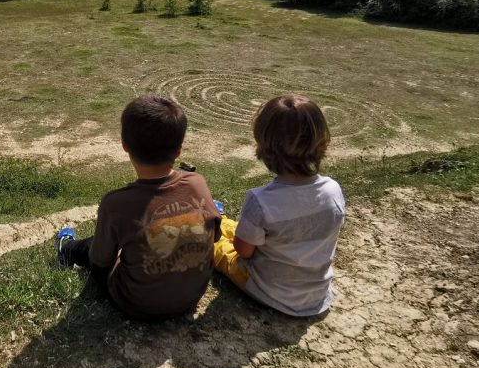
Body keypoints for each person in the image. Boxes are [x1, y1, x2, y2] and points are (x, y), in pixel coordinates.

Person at [55, 94, 222, 320]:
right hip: (192, 296)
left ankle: (65, 249)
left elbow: (99, 263)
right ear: (179, 151)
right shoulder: (197, 182)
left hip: (135, 303)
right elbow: (214, 236)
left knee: (90, 247)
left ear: (124, 145)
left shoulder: (115, 203)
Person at [214, 95, 345, 317]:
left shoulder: (261, 200)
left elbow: (243, 251)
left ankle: (216, 224)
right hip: (315, 293)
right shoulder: (333, 190)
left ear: (265, 145)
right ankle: (221, 219)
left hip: (270, 290)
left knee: (217, 247)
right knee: (237, 228)